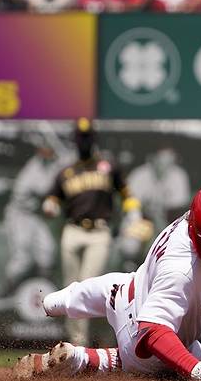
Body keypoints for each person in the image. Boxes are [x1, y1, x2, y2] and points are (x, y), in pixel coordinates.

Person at [14, 184, 201, 381]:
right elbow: (152, 331)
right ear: (196, 231)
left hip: (122, 290)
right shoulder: (180, 268)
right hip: (143, 340)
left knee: (60, 301)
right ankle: (82, 358)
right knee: (191, 352)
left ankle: (49, 303)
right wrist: (199, 370)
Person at [42, 118, 144, 346]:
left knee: (87, 284)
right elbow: (52, 197)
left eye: (87, 137)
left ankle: (99, 342)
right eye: (81, 137)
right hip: (73, 230)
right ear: (75, 140)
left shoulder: (108, 166)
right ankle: (77, 345)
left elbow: (126, 193)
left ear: (94, 139)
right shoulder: (66, 172)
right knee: (71, 287)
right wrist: (50, 205)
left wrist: (134, 211)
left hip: (99, 231)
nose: (84, 141)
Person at [3, 131, 73, 296]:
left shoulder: (53, 162)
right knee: (22, 258)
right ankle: (6, 293)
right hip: (20, 215)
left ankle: (45, 294)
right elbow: (43, 190)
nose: (47, 151)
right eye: (43, 148)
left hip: (36, 216)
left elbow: (69, 160)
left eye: (49, 148)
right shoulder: (33, 169)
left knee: (47, 252)